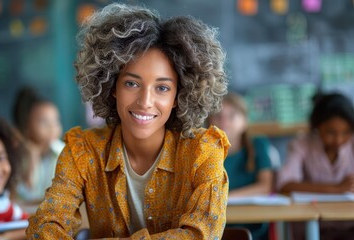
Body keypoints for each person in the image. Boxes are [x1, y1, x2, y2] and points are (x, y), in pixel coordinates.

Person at [26, 3, 229, 239]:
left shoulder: (202, 151)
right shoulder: (83, 151)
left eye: (162, 88)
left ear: (178, 96)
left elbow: (202, 235)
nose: (145, 101)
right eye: (131, 83)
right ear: (112, 86)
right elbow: (45, 225)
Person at [277, 92, 354, 239]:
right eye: (331, 132)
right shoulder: (301, 145)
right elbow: (284, 184)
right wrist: (336, 189)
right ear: (317, 126)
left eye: (346, 132)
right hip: (314, 228)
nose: (338, 140)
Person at [208, 92, 275, 240]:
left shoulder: (258, 144)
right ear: (209, 121)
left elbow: (265, 186)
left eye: (232, 116)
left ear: (244, 121)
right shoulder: (203, 149)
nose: (224, 122)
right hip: (214, 226)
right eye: (218, 116)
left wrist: (225, 199)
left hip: (253, 224)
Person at [12, 86, 64, 203]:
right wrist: (32, 160)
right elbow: (22, 196)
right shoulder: (19, 156)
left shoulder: (64, 153)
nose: (52, 127)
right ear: (26, 127)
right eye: (43, 122)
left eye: (56, 120)